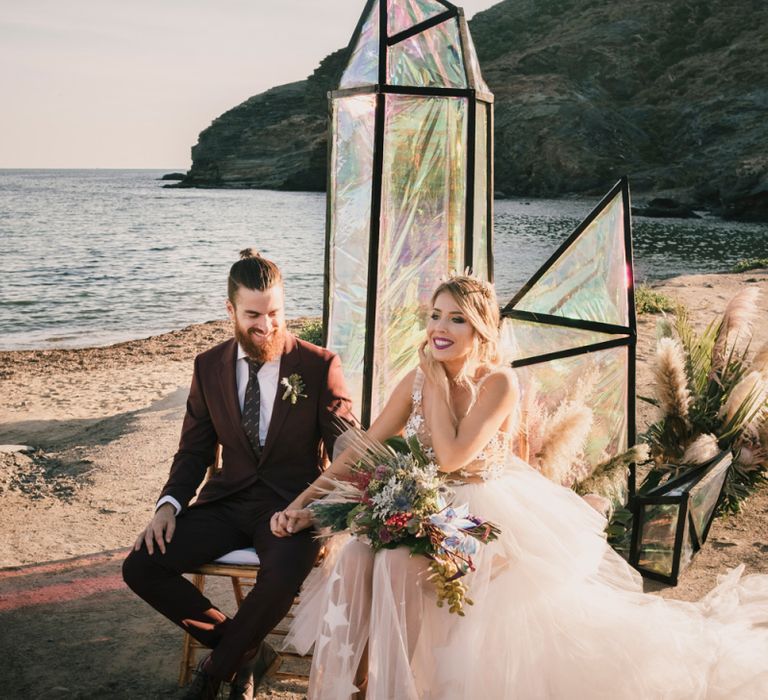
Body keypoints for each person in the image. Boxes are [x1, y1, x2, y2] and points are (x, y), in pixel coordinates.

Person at [273, 274, 768, 699]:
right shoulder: (417, 379)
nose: (440, 328)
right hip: (427, 504)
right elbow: (363, 445)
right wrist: (302, 503)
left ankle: (410, 689)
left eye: (456, 319)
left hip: (483, 518)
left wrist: (440, 385)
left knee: (399, 566)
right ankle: (349, 690)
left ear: (481, 329)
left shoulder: (498, 383)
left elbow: (451, 457)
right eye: (435, 315)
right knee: (356, 558)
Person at [122, 249, 353, 700]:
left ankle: (215, 671)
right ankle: (246, 653)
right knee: (141, 566)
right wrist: (168, 506)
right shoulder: (207, 367)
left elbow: (346, 438)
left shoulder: (318, 365)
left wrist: (329, 494)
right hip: (226, 501)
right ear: (230, 310)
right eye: (253, 315)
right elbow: (193, 450)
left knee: (284, 572)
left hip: (291, 507)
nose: (265, 326)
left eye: (275, 314)